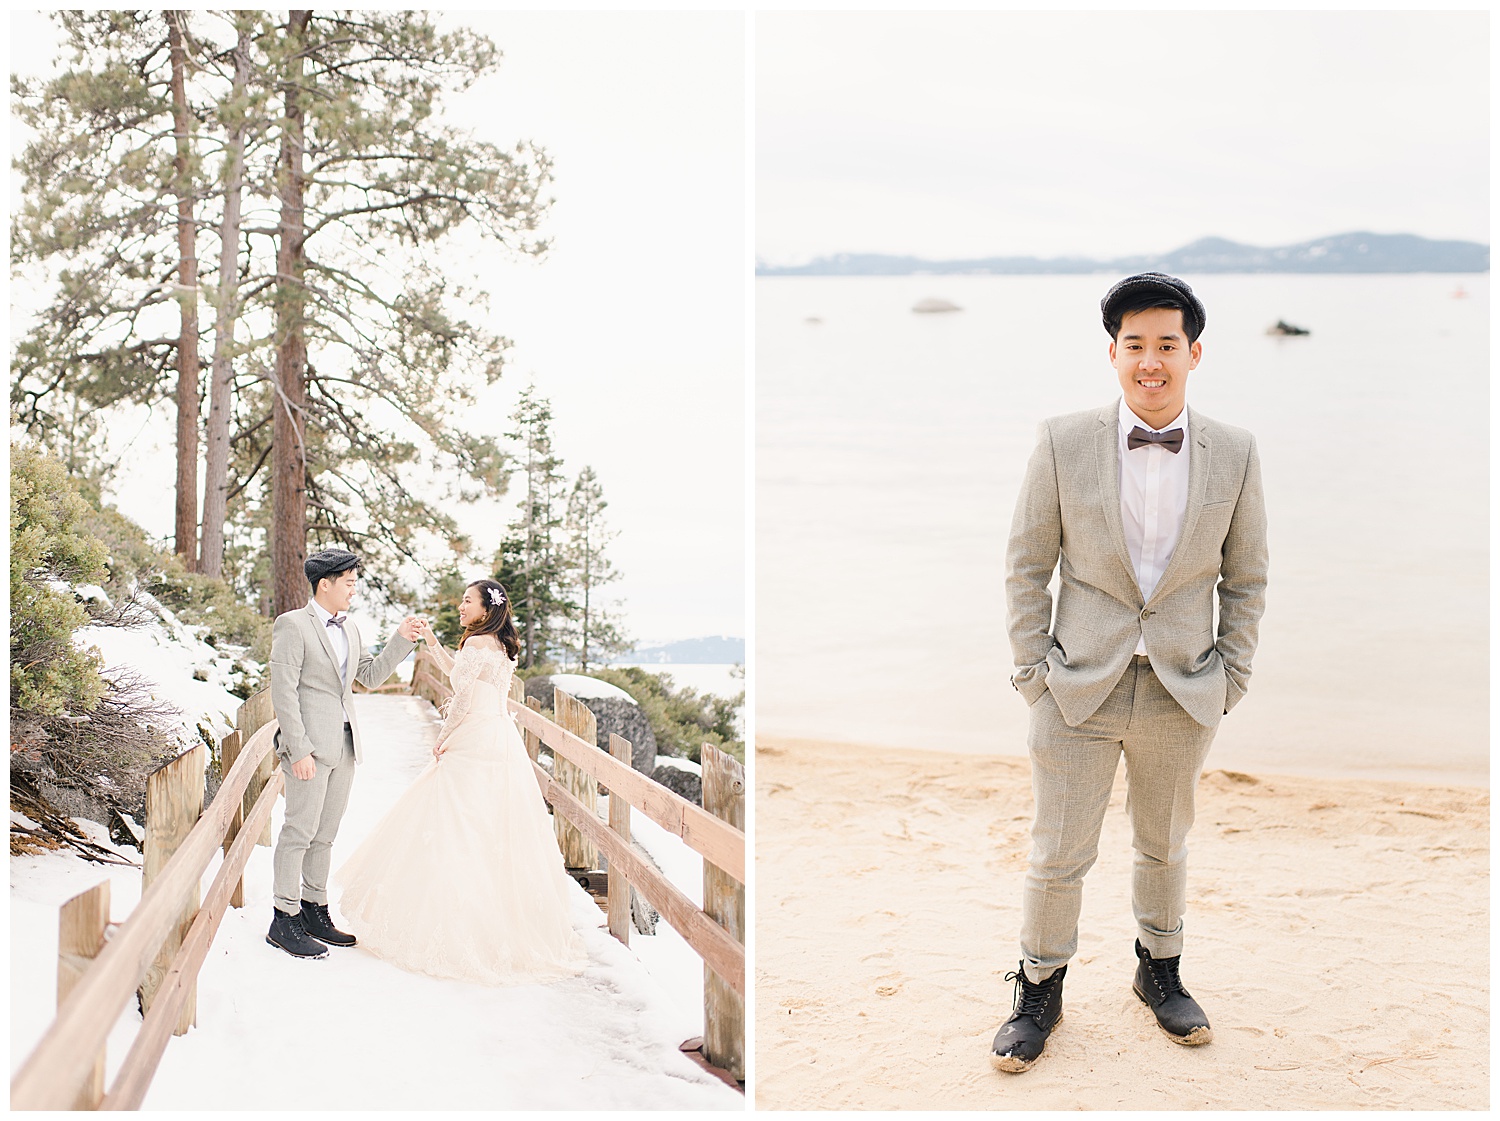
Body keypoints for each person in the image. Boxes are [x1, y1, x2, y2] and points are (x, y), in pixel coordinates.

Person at [991, 273, 1268, 1072]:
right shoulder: (1061, 440)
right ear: (1113, 353)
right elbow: (1025, 565)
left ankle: (1161, 970)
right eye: (1136, 345)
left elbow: (1246, 577)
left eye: (1167, 345)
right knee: (1058, 850)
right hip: (1076, 685)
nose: (1153, 361)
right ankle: (1039, 985)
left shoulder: (1237, 451)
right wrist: (1030, 671)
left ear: (1194, 353)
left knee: (1165, 845)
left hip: (1185, 688)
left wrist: (1231, 678)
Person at [334, 578, 587, 985]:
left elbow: (464, 698)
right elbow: (462, 676)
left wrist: (445, 736)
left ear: (486, 609)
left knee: (457, 821)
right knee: (494, 826)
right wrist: (432, 641)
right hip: (500, 737)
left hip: (473, 736)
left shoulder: (476, 644)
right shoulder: (500, 645)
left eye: (467, 601)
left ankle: (452, 926)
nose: (461, 606)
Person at [266, 549, 421, 959]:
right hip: (308, 750)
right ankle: (283, 918)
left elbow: (368, 676)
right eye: (349, 583)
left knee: (325, 834)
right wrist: (298, 748)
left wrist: (401, 638)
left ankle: (314, 910)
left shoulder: (350, 628)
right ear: (326, 584)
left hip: (345, 745)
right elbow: (283, 691)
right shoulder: (293, 625)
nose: (354, 591)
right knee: (299, 831)